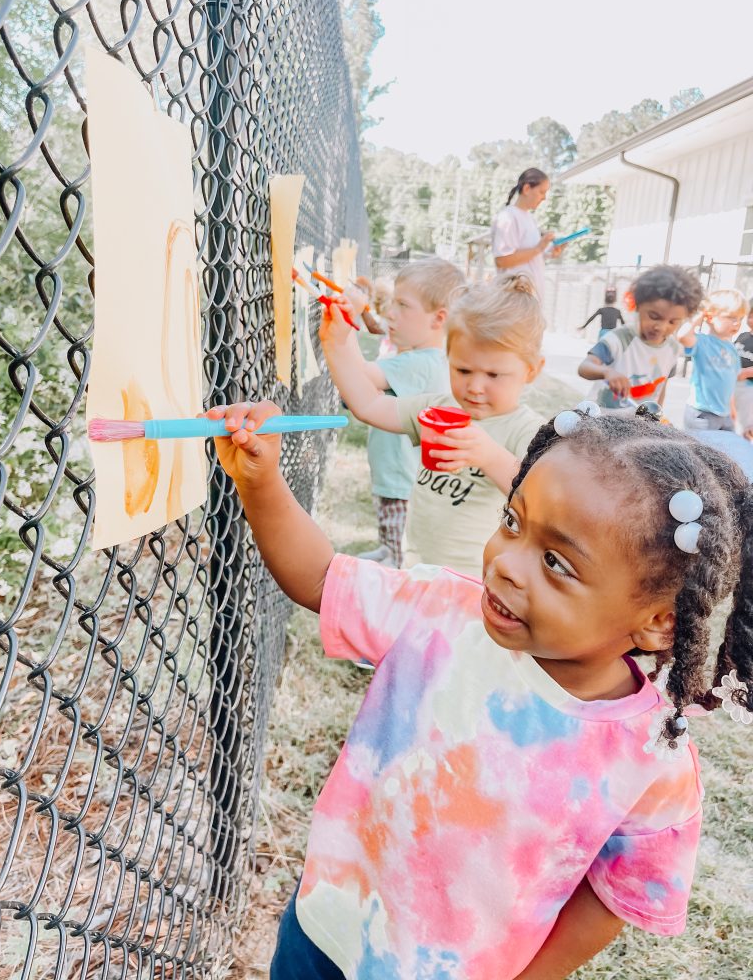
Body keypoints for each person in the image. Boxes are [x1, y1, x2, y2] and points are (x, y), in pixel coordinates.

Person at [208, 398, 753, 980]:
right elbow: (318, 577)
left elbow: (616, 897)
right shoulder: (439, 613)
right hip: (325, 925)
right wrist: (259, 481)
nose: (507, 564)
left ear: (659, 620)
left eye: (556, 562)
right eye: (513, 522)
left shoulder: (652, 761)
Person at [321, 275, 545, 578]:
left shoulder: (526, 430)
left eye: (493, 375)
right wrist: (336, 344)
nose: (475, 387)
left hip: (476, 584)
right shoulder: (439, 408)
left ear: (531, 370)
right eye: (463, 370)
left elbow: (541, 502)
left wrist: (489, 456)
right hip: (418, 571)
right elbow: (369, 406)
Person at [340, 258, 465, 568]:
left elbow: (358, 375)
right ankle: (386, 554)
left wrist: (345, 323)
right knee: (392, 533)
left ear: (438, 319)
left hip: (402, 481)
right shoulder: (425, 358)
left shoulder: (421, 363)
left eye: (403, 305)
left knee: (403, 557)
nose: (390, 313)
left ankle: (391, 570)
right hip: (398, 478)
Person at [577, 264, 704, 410]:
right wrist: (607, 372)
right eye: (654, 316)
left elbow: (661, 387)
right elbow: (584, 367)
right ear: (637, 305)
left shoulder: (673, 348)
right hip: (601, 420)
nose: (661, 327)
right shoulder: (620, 339)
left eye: (672, 322)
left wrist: (657, 416)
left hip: (638, 426)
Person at [490, 167, 563, 302]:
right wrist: (539, 248)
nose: (544, 198)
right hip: (513, 300)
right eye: (542, 192)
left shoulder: (529, 218)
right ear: (527, 188)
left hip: (529, 298)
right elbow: (502, 260)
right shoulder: (508, 217)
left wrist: (551, 251)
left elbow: (530, 256)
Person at [679, 289, 747, 433]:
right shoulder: (702, 341)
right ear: (710, 317)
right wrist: (699, 316)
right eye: (732, 318)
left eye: (740, 319)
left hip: (725, 414)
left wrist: (732, 408)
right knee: (700, 453)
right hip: (702, 415)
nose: (737, 324)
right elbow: (683, 336)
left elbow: (731, 380)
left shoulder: (732, 348)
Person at [734, 303, 753, 440]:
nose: (751, 319)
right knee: (731, 418)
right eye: (751, 316)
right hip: (733, 383)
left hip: (748, 388)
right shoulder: (743, 335)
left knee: (746, 424)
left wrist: (745, 372)